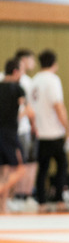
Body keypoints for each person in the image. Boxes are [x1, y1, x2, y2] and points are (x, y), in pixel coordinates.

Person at [28, 50, 69, 211]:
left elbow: (30, 109)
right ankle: (60, 200)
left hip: (40, 133)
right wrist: (66, 128)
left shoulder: (34, 81)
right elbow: (58, 106)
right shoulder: (52, 80)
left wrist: (34, 126)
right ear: (55, 64)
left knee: (42, 169)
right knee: (62, 167)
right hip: (54, 132)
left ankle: (42, 202)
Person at [1, 59, 30, 213]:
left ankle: (2, 207)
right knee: (21, 168)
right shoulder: (18, 88)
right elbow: (28, 110)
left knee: (4, 170)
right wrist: (19, 117)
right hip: (10, 134)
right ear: (15, 72)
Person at [13, 49, 37, 207]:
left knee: (25, 162)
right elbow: (29, 109)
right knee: (16, 164)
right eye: (31, 59)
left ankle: (23, 194)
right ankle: (15, 194)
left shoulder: (28, 81)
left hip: (22, 128)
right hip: (15, 129)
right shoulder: (8, 80)